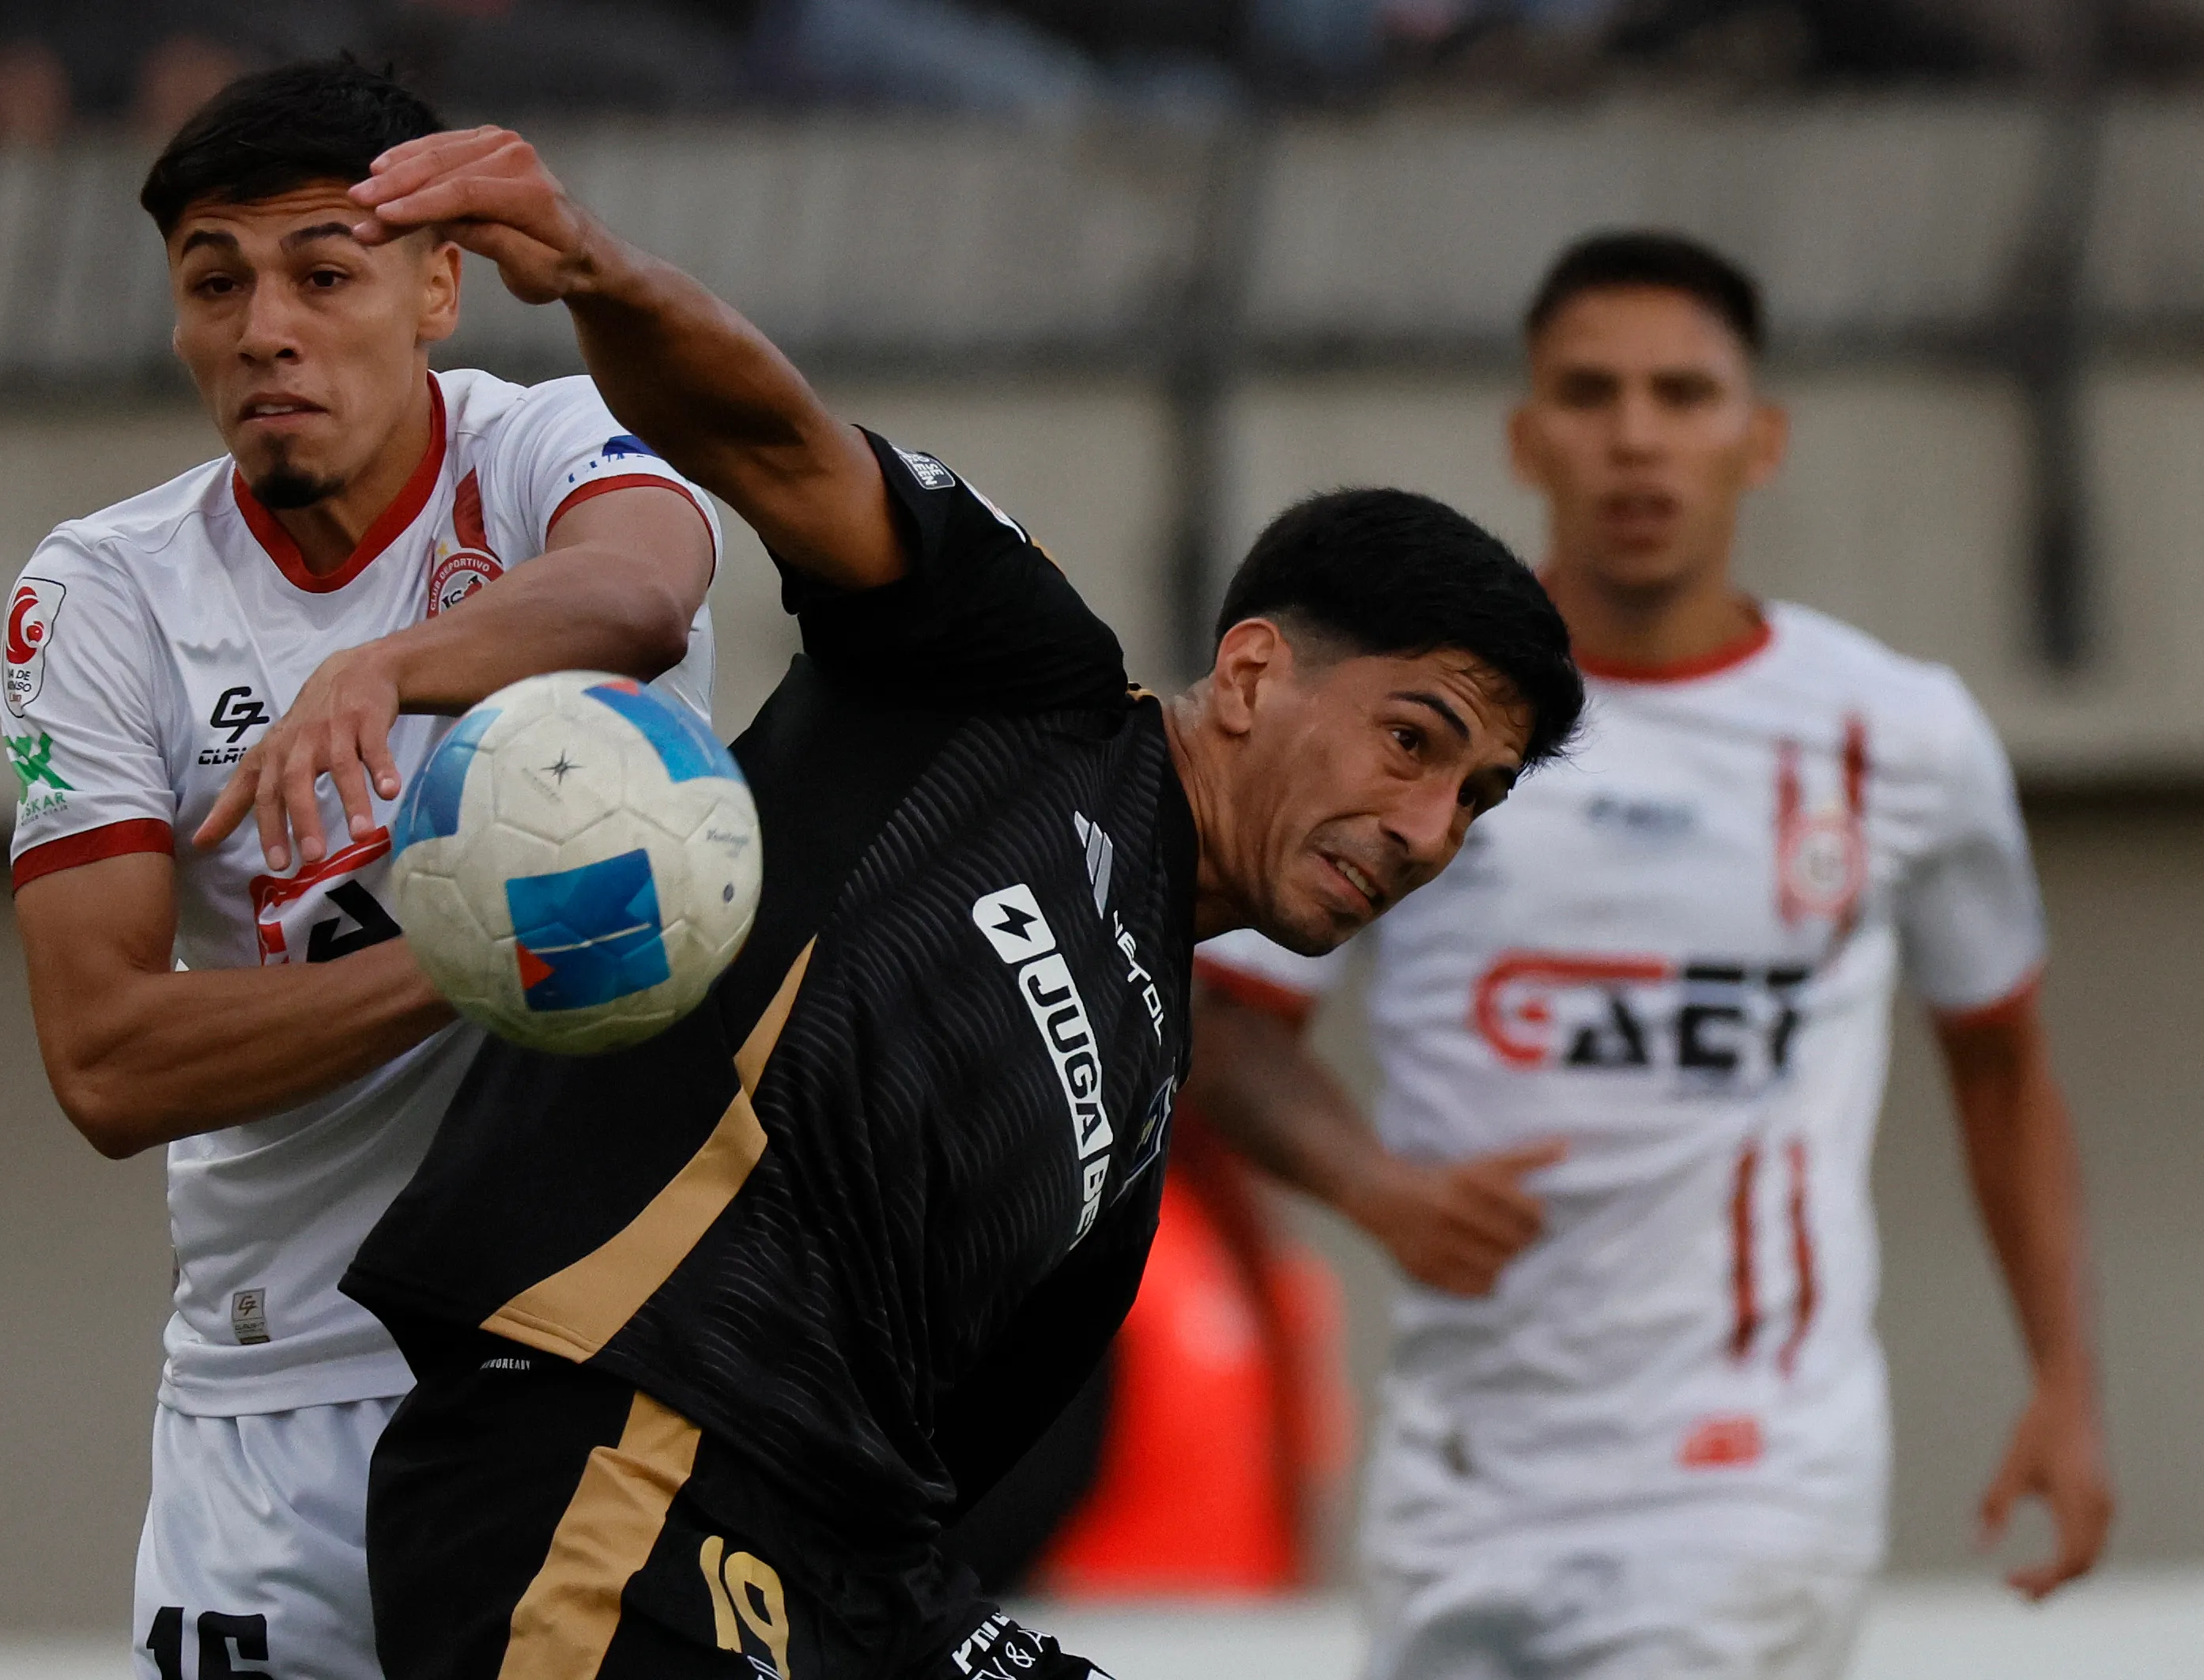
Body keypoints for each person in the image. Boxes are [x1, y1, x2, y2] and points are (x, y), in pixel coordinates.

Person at [327, 126, 1585, 1680]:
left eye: (1473, 800)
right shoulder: (1020, 684)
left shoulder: (1143, 1107)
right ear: (1252, 670)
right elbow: (778, 443)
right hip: (606, 1459)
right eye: (1413, 743)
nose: (1423, 827)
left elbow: (902, 1495)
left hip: (806, 1584)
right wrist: (590, 264)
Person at [1191, 231, 2115, 1679]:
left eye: (1683, 395)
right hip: (1463, 1470)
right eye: (1591, 392)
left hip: (1747, 1479)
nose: (1635, 438)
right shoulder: (1415, 733)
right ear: (1525, 434)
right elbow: (1233, 1019)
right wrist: (1381, 1192)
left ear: (1761, 438)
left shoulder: (1900, 734)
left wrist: (2065, 1384)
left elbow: (2001, 1067)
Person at [0, 63, 722, 1680]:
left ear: (436, 289)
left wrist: (388, 667)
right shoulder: (104, 599)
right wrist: (473, 955)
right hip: (274, 1405)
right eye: (216, 282)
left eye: (324, 274)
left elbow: (642, 597)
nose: (267, 327)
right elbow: (107, 1061)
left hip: (603, 1364)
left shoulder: (552, 444)